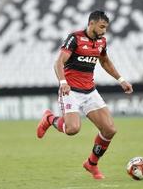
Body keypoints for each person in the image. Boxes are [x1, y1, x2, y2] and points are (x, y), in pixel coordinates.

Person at [37, 10, 133, 179]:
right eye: (102, 27)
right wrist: (63, 82)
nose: (104, 31)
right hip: (70, 90)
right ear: (91, 23)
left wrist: (121, 79)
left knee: (110, 130)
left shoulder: (102, 41)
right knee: (72, 129)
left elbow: (104, 61)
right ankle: (49, 119)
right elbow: (58, 62)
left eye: (106, 28)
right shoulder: (75, 38)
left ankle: (91, 164)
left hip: (89, 91)